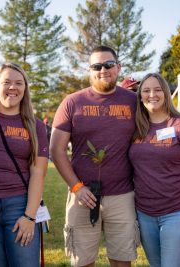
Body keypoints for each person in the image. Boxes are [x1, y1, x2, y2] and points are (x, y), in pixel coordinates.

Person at [51, 45, 139, 267]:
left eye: (109, 65)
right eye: (97, 66)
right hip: (82, 196)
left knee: (122, 260)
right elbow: (56, 150)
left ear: (118, 68)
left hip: (123, 196)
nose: (103, 70)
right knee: (82, 261)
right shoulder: (72, 103)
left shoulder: (134, 101)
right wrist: (76, 187)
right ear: (89, 70)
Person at [0, 63, 48, 267]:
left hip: (19, 206)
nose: (12, 87)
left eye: (18, 83)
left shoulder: (36, 125)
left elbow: (38, 172)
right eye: (6, 82)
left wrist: (29, 217)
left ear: (25, 88)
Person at [128, 73, 180, 267]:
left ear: (166, 93)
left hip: (177, 212)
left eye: (157, 89)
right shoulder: (136, 128)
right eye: (146, 90)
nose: (152, 94)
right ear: (140, 96)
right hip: (145, 213)